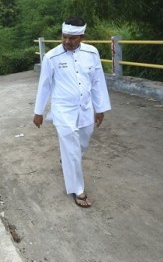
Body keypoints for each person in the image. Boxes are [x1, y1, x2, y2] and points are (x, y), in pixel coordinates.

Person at [32, 16, 111, 208]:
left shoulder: (92, 53)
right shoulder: (52, 57)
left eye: (72, 38)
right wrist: (38, 111)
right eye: (64, 37)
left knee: (82, 143)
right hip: (63, 110)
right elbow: (44, 86)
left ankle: (67, 160)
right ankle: (78, 190)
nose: (67, 41)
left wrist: (100, 108)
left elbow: (98, 81)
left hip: (85, 108)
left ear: (82, 37)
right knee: (72, 148)